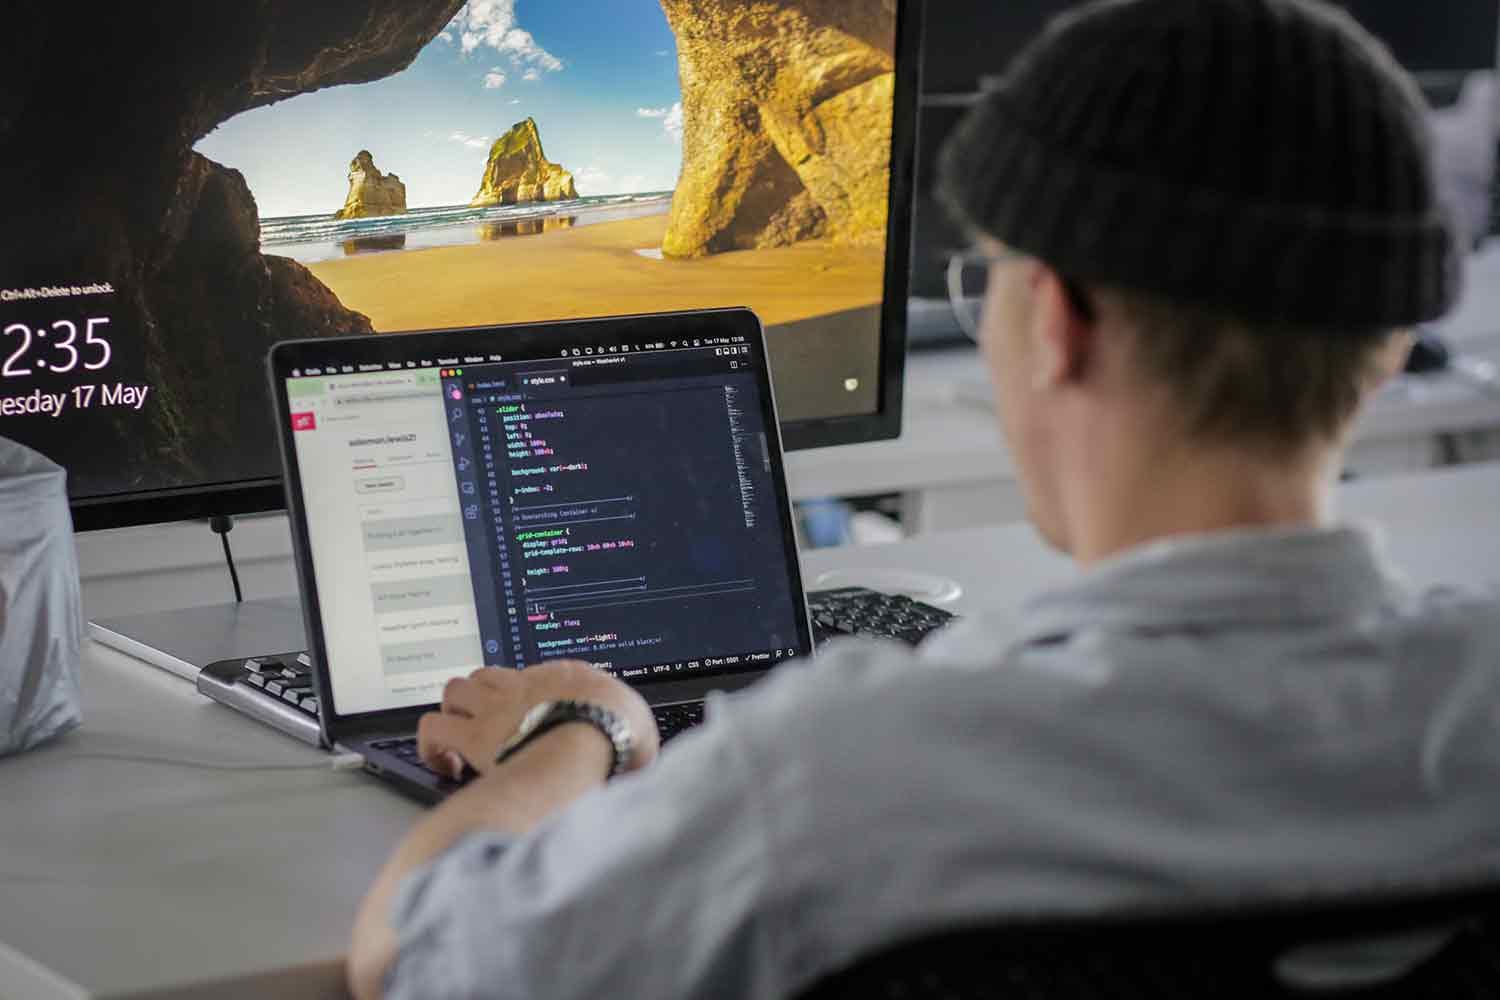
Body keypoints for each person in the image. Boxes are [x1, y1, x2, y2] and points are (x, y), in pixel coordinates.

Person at [348, 1, 1500, 997]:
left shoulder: (841, 772)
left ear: (1054, 320)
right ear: (1391, 344)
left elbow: (420, 961)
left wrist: (581, 728)